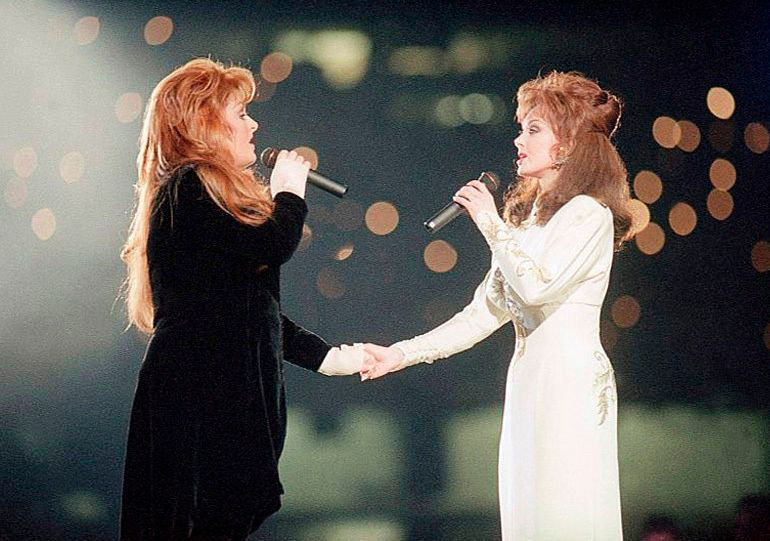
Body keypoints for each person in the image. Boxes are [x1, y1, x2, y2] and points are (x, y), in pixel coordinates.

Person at [362, 71, 632, 540]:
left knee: (566, 512)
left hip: (569, 387)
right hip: (529, 385)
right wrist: (400, 354)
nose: (518, 139)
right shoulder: (527, 223)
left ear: (567, 145)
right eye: (522, 127)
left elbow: (534, 288)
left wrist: (489, 221)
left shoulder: (589, 215)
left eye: (533, 129)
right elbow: (482, 313)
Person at [119, 58, 367, 541]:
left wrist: (329, 358)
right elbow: (272, 245)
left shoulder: (203, 195)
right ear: (205, 122)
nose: (254, 124)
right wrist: (290, 196)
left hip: (217, 398)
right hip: (197, 401)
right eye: (241, 113)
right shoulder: (188, 188)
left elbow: (249, 305)